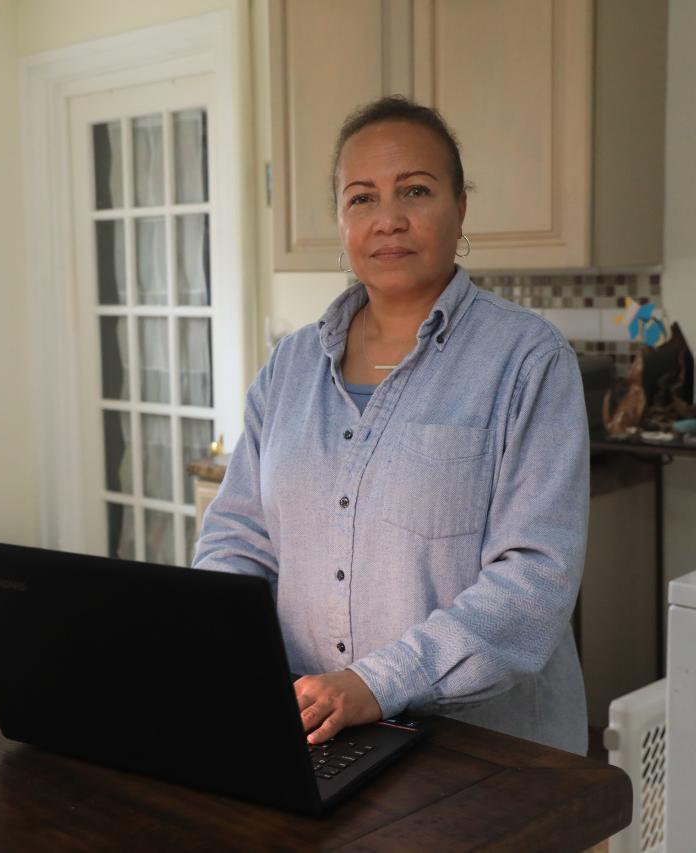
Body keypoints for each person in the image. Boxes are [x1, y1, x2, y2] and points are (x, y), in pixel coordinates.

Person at [192, 96, 589, 754]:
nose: (389, 220)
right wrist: (217, 649)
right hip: (316, 736)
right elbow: (240, 541)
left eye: (416, 190)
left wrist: (373, 683)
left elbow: (533, 581)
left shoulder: (528, 361)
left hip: (487, 753)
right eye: (362, 198)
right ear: (340, 221)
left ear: (460, 206)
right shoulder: (288, 368)